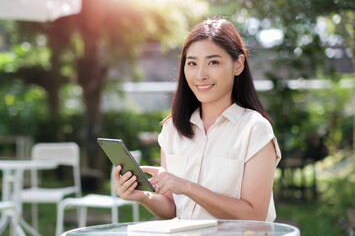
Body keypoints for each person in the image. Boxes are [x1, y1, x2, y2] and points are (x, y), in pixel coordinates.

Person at [113, 17, 281, 222]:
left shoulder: (255, 129)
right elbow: (172, 208)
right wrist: (143, 196)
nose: (200, 75)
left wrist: (186, 186)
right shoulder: (173, 129)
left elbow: (254, 215)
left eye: (213, 62)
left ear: (238, 65)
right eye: (192, 63)